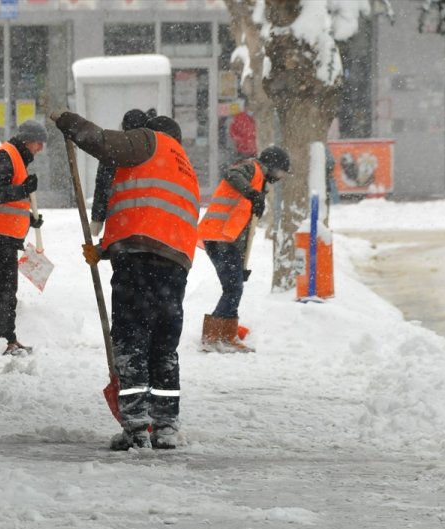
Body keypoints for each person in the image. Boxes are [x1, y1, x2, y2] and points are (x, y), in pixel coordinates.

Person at [51, 110, 200, 451]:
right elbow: (154, 214)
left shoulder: (149, 141)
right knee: (164, 350)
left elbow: (103, 143)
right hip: (174, 268)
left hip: (139, 264)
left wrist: (70, 123)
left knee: (132, 344)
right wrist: (106, 249)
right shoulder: (185, 167)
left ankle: (135, 428)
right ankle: (165, 427)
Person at [197, 145, 290, 353]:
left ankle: (227, 335)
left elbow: (244, 222)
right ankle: (213, 337)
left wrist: (240, 263)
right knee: (233, 288)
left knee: (233, 287)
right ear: (273, 166)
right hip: (221, 236)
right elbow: (232, 174)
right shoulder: (251, 168)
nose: (282, 177)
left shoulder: (260, 183)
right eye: (282, 171)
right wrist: (251, 193)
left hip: (225, 238)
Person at [0, 119, 47, 356]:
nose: (41, 148)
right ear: (28, 140)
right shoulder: (5, 156)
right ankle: (6, 339)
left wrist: (29, 218)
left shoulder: (16, 157)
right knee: (6, 287)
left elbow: (10, 202)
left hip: (4, 233)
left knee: (8, 285)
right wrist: (24, 190)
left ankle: (8, 337)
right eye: (39, 143)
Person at [89, 108, 156, 237]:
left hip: (119, 221)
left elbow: (102, 187)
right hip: (149, 221)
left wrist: (97, 218)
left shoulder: (112, 150)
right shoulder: (155, 151)